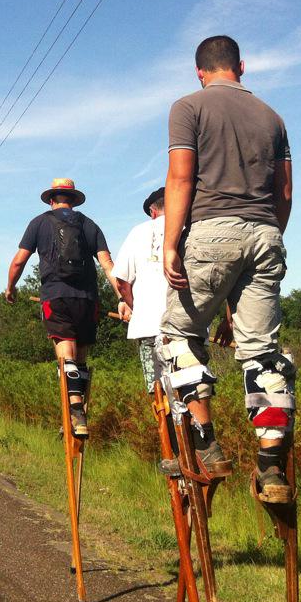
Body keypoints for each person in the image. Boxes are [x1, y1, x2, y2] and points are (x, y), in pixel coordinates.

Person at [158, 35, 295, 504]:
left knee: (178, 336)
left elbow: (180, 177)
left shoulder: (188, 107)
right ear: (241, 66)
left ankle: (207, 443)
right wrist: (269, 239)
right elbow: (285, 193)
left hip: (212, 232)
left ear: (200, 71)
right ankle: (272, 467)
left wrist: (172, 243)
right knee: (262, 350)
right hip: (265, 234)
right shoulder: (272, 117)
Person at [5, 178, 120, 437]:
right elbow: (108, 264)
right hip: (88, 300)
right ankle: (79, 414)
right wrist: (123, 298)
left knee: (65, 356)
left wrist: (10, 287)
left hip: (55, 297)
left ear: (51, 199)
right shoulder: (89, 225)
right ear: (74, 200)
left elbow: (18, 262)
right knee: (81, 360)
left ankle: (75, 412)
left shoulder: (39, 222)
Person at [110, 185, 183, 474]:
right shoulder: (191, 227)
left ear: (153, 211)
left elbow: (121, 282)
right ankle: (194, 452)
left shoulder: (139, 232)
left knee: (159, 394)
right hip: (186, 328)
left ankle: (172, 453)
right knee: (188, 391)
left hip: (149, 327)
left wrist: (133, 305)